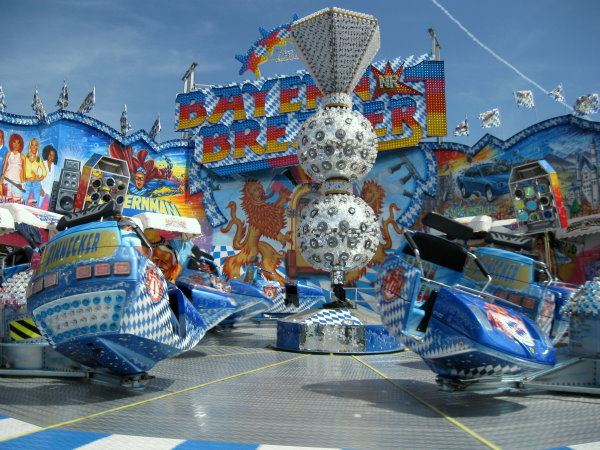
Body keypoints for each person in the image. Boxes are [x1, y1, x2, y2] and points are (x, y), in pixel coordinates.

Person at [22, 138, 46, 207]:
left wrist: (39, 178)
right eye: (32, 145)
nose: (34, 147)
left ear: (37, 147)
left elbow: (44, 172)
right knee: (24, 199)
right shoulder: (24, 156)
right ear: (30, 146)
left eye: (35, 145)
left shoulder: (38, 159)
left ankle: (35, 211)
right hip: (27, 182)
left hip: (36, 183)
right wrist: (24, 179)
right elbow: (21, 169)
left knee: (36, 202)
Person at [2, 133, 25, 199]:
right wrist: (2, 178)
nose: (16, 145)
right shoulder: (8, 154)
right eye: (14, 142)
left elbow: (23, 171)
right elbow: (4, 167)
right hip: (7, 179)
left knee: (17, 199)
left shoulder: (22, 156)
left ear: (20, 145)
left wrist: (23, 183)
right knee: (6, 199)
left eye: (18, 143)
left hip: (17, 181)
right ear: (11, 143)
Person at [40, 145, 58, 209]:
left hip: (51, 191)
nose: (51, 157)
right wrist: (40, 189)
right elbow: (37, 178)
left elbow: (56, 181)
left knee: (50, 208)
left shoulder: (55, 167)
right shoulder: (42, 164)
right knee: (38, 207)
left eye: (53, 155)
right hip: (42, 189)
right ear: (47, 154)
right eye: (50, 154)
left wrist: (54, 192)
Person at [0, 130, 8, 196]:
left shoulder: (5, 150)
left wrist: (3, 176)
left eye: (0, 137)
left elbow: (6, 164)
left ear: (2, 139)